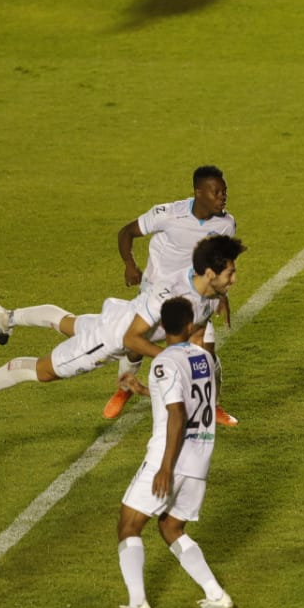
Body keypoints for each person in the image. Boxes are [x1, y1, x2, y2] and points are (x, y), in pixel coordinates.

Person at [0, 234, 245, 431]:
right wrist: (170, 358)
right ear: (209, 273)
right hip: (107, 340)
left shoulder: (206, 289)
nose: (234, 279)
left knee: (68, 323)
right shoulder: (170, 297)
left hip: (121, 314)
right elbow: (130, 340)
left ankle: (8, 318)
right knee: (44, 371)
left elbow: (198, 318)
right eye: (229, 273)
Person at [109, 297, 235, 608]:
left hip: (171, 456)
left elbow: (177, 413)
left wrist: (165, 467)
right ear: (191, 323)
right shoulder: (205, 359)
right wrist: (144, 389)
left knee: (129, 525)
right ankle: (216, 594)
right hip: (201, 457)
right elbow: (188, 399)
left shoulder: (164, 362)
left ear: (162, 327)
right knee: (171, 527)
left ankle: (138, 605)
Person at [108, 165, 240, 427]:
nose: (222, 197)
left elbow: (220, 261)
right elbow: (127, 232)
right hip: (156, 290)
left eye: (224, 192)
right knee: (135, 345)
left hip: (193, 292)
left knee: (206, 353)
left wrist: (221, 295)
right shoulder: (168, 213)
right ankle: (124, 388)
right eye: (216, 192)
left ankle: (211, 405)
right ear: (198, 193)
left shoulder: (226, 224)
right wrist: (130, 264)